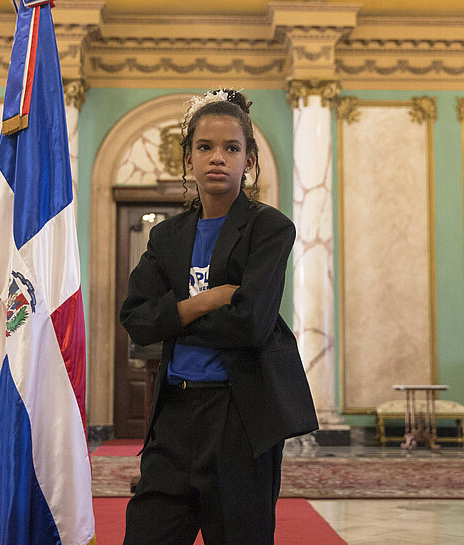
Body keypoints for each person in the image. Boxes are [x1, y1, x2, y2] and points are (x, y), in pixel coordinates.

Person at [120, 88, 318, 545]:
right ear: (188, 157)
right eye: (205, 147)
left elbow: (250, 324)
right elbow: (136, 319)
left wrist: (172, 314)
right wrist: (204, 302)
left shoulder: (270, 228)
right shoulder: (166, 237)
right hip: (173, 417)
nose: (218, 158)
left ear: (249, 160)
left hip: (239, 418)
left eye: (232, 147)